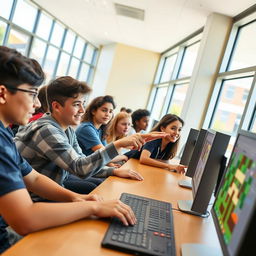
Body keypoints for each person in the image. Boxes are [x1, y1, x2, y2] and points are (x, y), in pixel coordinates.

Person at [0, 46, 137, 254]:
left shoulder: (5, 135)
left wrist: (77, 199)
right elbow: (24, 219)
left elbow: (33, 177)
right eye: (32, 94)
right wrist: (91, 207)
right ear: (2, 94)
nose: (37, 104)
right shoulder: (24, 135)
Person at [16, 77, 153, 199]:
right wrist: (118, 145)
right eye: (76, 104)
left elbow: (82, 160)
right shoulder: (47, 130)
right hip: (32, 199)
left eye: (83, 103)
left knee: (100, 189)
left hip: (50, 190)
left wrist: (114, 171)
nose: (82, 110)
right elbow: (81, 169)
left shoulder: (67, 129)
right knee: (96, 195)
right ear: (57, 106)